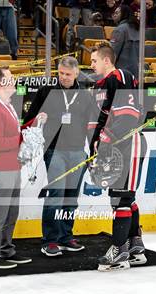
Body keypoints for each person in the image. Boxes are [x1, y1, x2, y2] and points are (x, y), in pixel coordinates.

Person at [23, 56, 98, 257]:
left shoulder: (85, 96)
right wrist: (38, 118)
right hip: (54, 150)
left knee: (71, 197)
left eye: (68, 74)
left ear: (76, 74)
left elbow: (92, 126)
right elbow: (28, 119)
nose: (63, 77)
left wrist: (92, 152)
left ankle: (66, 236)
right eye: (61, 73)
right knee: (56, 194)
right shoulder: (46, 92)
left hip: (77, 152)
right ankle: (50, 240)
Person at [89, 42, 147, 271]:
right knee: (125, 198)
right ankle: (135, 247)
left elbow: (128, 117)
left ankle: (119, 250)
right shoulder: (102, 86)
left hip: (128, 144)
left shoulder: (120, 76)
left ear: (106, 60)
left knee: (121, 199)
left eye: (94, 60)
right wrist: (96, 144)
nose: (92, 65)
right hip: (116, 146)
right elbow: (103, 120)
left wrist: (105, 141)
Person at [0, 67, 47, 269]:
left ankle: (5, 249)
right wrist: (22, 137)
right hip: (2, 169)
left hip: (12, 167)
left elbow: (16, 133)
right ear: (1, 83)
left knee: (10, 213)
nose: (14, 81)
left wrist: (33, 123)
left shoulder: (7, 106)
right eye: (10, 79)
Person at [110, 4, 140, 77]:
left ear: (124, 14)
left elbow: (113, 53)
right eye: (114, 13)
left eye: (117, 13)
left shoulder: (119, 30)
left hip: (121, 72)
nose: (114, 15)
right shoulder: (138, 29)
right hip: (136, 71)